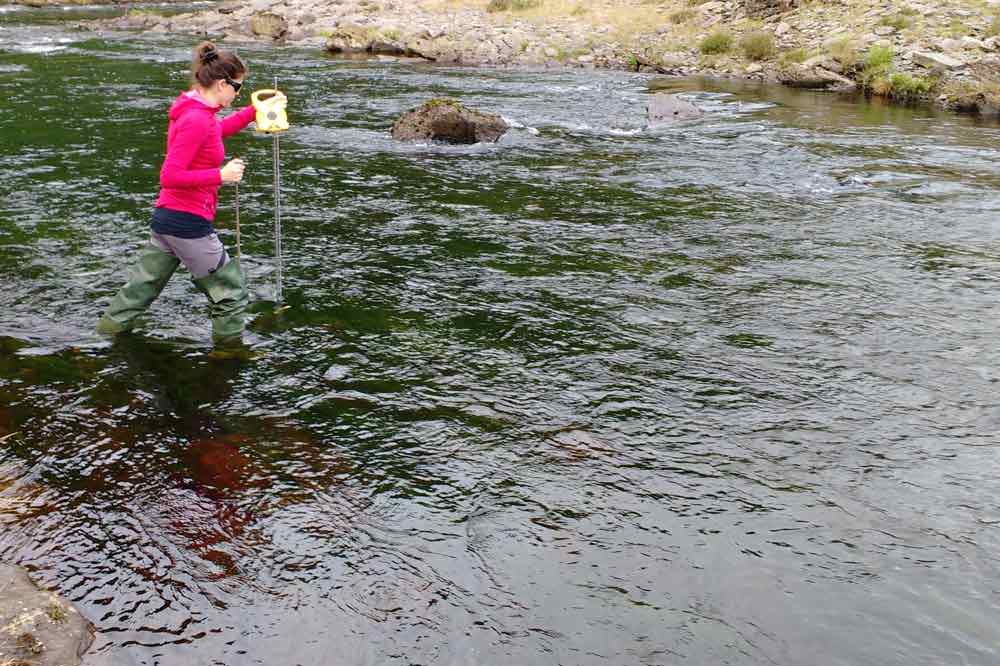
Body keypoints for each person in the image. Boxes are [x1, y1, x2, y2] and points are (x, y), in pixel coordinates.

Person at [96, 41, 285, 345]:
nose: (237, 95)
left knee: (139, 291)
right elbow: (169, 176)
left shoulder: (197, 110)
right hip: (188, 223)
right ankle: (228, 358)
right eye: (238, 88)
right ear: (223, 83)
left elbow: (215, 134)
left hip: (167, 221)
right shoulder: (197, 118)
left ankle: (100, 341)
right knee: (232, 293)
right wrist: (220, 176)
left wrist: (255, 111)